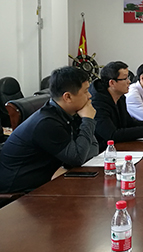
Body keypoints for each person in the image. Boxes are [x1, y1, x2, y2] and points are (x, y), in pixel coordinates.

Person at [0, 66, 99, 194]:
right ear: (67, 97)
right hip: (17, 190)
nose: (89, 96)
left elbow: (93, 148)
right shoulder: (47, 122)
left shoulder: (67, 113)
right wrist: (88, 120)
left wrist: (85, 122)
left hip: (41, 180)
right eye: (85, 91)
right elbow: (78, 157)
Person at [90, 61, 143, 150]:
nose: (129, 82)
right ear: (112, 83)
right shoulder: (97, 103)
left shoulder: (120, 97)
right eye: (125, 78)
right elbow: (112, 135)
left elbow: (129, 123)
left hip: (117, 147)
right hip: (101, 151)